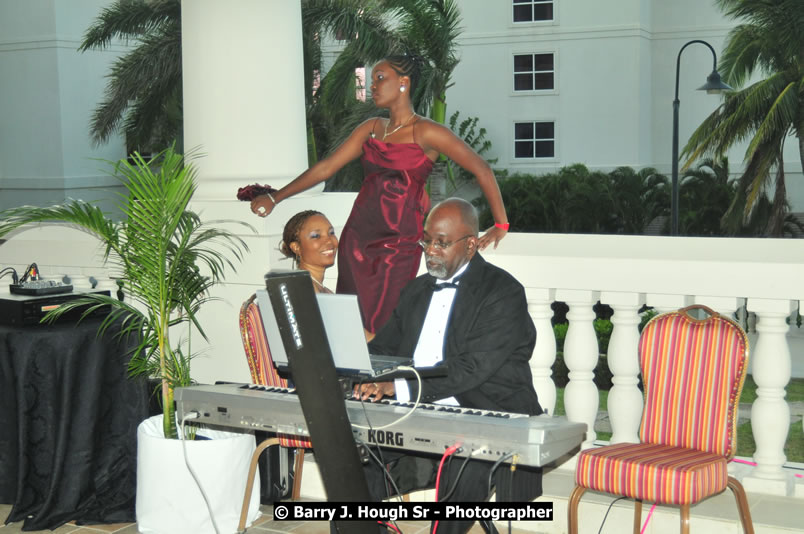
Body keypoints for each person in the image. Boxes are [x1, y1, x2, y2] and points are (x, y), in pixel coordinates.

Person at [251, 55, 511, 334]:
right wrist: (276, 197)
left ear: (403, 83)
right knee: (352, 320)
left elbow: (481, 168)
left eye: (380, 78)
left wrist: (501, 224)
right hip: (357, 240)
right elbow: (326, 168)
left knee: (383, 325)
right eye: (372, 79)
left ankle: (380, 378)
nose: (372, 86)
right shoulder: (372, 128)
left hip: (399, 243)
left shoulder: (426, 131)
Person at [353, 198, 542, 534]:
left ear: (470, 244)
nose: (430, 250)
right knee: (352, 456)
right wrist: (354, 368)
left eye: (442, 242)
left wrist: (397, 386)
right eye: (427, 240)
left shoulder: (503, 291)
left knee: (463, 465)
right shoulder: (415, 290)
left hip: (485, 413)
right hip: (417, 412)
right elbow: (385, 347)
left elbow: (470, 369)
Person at [279, 210, 338, 294]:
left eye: (331, 233)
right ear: (296, 247)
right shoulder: (302, 288)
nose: (329, 241)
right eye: (316, 236)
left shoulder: (325, 291)